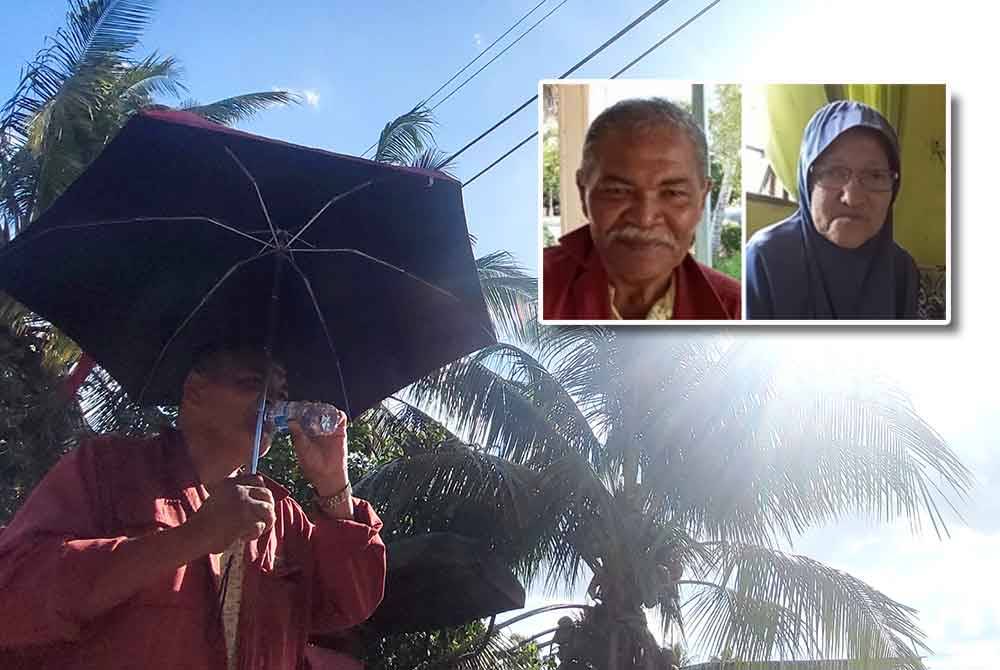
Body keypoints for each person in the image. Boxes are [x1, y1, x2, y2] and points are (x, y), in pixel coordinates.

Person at [0, 345, 386, 669]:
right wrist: (192, 537)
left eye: (280, 394)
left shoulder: (281, 515)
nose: (272, 403)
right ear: (195, 391)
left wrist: (334, 484)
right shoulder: (109, 469)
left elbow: (351, 603)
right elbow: (16, 594)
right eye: (253, 384)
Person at [543, 97, 741, 321]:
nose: (645, 218)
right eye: (618, 191)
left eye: (673, 193)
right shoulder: (528, 293)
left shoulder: (736, 311)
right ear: (583, 192)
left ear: (702, 199)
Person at [745, 100, 920, 319]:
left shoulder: (902, 269)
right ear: (807, 181)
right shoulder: (765, 259)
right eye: (834, 172)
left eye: (875, 175)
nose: (853, 199)